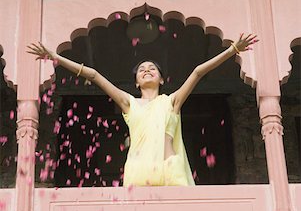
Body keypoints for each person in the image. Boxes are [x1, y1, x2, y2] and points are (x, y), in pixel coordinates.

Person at [27, 33, 258, 187]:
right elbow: (94, 75)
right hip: (138, 171)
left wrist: (232, 50)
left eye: (152, 69)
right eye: (142, 70)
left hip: (170, 169)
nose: (147, 70)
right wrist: (54, 57)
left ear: (161, 79)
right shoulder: (129, 103)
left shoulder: (172, 101)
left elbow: (197, 72)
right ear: (136, 82)